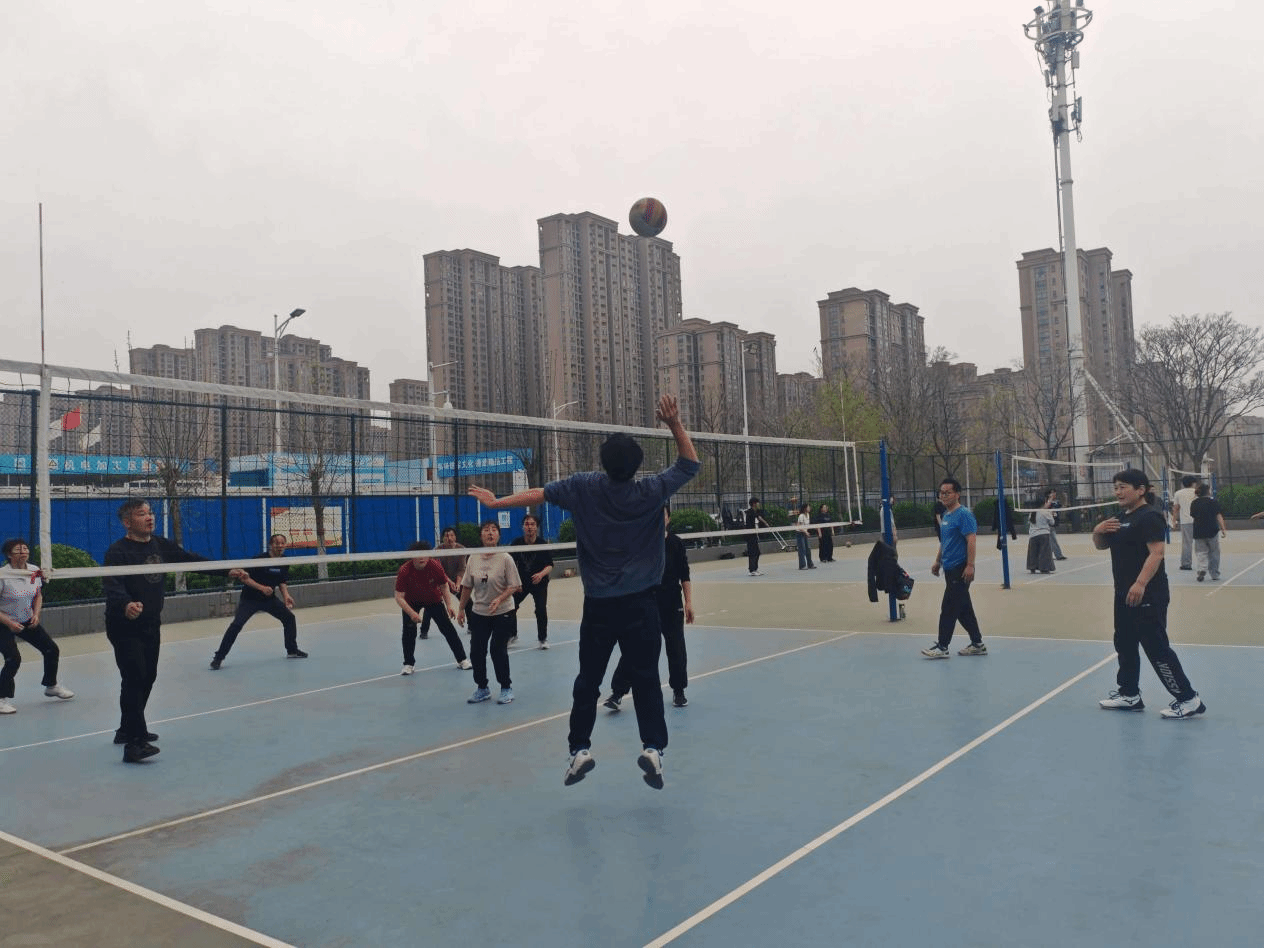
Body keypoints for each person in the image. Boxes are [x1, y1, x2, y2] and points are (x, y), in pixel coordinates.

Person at [468, 394, 699, 790]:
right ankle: (653, 748)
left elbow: (538, 493)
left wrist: (497, 502)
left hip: (599, 608)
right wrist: (674, 423)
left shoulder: (584, 487)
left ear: (604, 463)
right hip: (642, 605)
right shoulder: (651, 491)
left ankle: (579, 750)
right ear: (637, 465)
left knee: (588, 681)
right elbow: (689, 464)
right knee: (646, 678)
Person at [103, 500, 244, 762]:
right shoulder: (117, 551)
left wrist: (226, 571)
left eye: (150, 512)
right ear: (127, 522)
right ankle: (134, 744)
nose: (149, 517)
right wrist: (126, 604)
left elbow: (190, 559)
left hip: (150, 622)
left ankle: (126, 729)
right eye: (142, 514)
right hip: (124, 625)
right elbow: (113, 585)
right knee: (134, 677)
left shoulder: (160, 544)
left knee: (148, 676)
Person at [1093, 469, 1205, 718]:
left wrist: (1140, 583)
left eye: (1123, 487)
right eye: (1116, 487)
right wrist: (1097, 530)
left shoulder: (1150, 517)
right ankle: (1129, 694)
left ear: (1140, 490)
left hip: (1148, 594)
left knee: (1156, 648)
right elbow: (1102, 545)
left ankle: (1188, 699)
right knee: (1124, 643)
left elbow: (1157, 553)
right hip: (1123, 594)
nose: (1118, 492)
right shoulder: (1119, 517)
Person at [605, 506, 694, 710]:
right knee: (635, 647)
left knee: (676, 648)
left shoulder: (676, 543)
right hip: (646, 604)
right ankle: (617, 693)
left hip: (672, 604)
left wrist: (689, 602)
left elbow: (685, 574)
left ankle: (679, 691)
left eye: (662, 515)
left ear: (668, 519)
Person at [1, 538, 75, 714]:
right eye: (18, 550)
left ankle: (51, 686)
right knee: (13, 658)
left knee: (51, 649)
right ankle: (1, 698)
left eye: (25, 549)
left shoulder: (33, 570)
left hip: (26, 619)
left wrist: (36, 614)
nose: (23, 552)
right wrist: (9, 623)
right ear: (9, 555)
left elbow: (38, 595)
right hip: (3, 622)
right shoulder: (3, 575)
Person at [210, 533, 305, 669]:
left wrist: (286, 596)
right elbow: (244, 578)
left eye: (282, 543)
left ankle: (292, 650)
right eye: (276, 543)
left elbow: (282, 581)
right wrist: (262, 588)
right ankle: (218, 658)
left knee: (289, 618)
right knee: (236, 625)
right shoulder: (259, 560)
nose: (279, 546)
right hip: (250, 599)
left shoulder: (284, 561)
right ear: (271, 545)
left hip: (269, 599)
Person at [456, 521, 521, 705]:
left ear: (498, 535)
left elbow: (515, 586)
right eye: (486, 530)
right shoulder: (473, 558)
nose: (490, 533)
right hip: (480, 611)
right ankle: (482, 688)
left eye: (494, 530)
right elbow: (467, 586)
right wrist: (461, 609)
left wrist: (499, 599)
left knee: (497, 650)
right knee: (476, 652)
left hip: (503, 611)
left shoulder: (505, 558)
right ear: (481, 535)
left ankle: (506, 687)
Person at [922, 478, 987, 659]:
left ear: (957, 494)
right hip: (949, 568)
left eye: (947, 493)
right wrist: (938, 561)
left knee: (949, 607)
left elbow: (971, 540)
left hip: (960, 568)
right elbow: (945, 542)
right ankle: (977, 643)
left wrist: (970, 565)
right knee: (963, 609)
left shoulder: (964, 514)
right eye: (941, 493)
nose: (943, 496)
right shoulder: (946, 515)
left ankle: (942, 647)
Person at [395, 541, 471, 674]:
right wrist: (412, 613)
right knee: (408, 632)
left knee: (448, 629)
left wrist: (449, 605)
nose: (422, 558)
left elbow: (444, 586)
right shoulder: (404, 570)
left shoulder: (435, 565)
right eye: (418, 555)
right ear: (412, 557)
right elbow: (399, 597)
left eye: (425, 554)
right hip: (411, 601)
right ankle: (408, 664)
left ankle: (462, 659)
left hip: (433, 599)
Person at [510, 513, 554, 649]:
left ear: (537, 527)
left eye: (532, 524)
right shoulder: (516, 543)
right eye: (527, 524)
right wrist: (515, 582)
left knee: (541, 610)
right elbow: (510, 564)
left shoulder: (542, 544)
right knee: (510, 606)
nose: (529, 527)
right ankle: (512, 635)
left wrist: (541, 575)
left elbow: (550, 565)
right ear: (523, 527)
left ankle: (542, 639)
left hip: (539, 583)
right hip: (521, 583)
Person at [420, 526, 467, 639]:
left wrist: (458, 583)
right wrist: (449, 582)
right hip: (439, 581)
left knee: (467, 600)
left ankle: (472, 627)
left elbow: (462, 569)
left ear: (455, 537)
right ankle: (424, 631)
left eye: (451, 535)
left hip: (456, 580)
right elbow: (439, 571)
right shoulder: (437, 551)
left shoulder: (462, 549)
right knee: (431, 604)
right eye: (446, 536)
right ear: (443, 539)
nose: (449, 538)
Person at [1188, 483, 1226, 582]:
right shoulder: (1213, 502)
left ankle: (1202, 568)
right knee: (1214, 553)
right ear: (1208, 491)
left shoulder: (1194, 503)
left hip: (1198, 530)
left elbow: (1193, 515)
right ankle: (1214, 573)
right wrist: (1223, 528)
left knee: (1201, 552)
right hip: (1212, 530)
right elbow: (1218, 516)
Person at [1170, 474, 1200, 570]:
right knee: (1201, 542)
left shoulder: (1178, 493)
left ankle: (1186, 564)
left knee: (1187, 543)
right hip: (1198, 520)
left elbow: (1176, 508)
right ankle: (1203, 563)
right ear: (1193, 483)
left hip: (1186, 521)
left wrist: (1174, 521)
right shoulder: (1197, 492)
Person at [1026, 496, 1056, 574]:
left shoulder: (1032, 512)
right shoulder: (1045, 512)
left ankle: (1032, 567)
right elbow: (1052, 522)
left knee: (1033, 552)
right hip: (1044, 533)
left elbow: (1030, 522)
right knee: (1044, 551)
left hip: (1033, 534)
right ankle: (1044, 568)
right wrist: (1051, 515)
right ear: (1044, 503)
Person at [744, 497, 769, 576]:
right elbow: (755, 518)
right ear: (754, 504)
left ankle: (755, 569)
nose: (759, 504)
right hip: (750, 535)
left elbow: (759, 518)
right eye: (757, 503)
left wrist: (766, 523)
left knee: (757, 552)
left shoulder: (756, 512)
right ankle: (752, 570)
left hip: (755, 535)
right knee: (752, 553)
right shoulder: (749, 512)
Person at [1045, 490, 1067, 560]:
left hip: (1054, 522)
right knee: (1053, 540)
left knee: (1050, 541)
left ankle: (1048, 555)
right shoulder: (1047, 502)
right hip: (1049, 523)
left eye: (1054, 493)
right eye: (1052, 493)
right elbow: (1046, 508)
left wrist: (1065, 499)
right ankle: (1058, 555)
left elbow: (1062, 508)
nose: (1054, 494)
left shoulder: (1057, 502)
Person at [794, 502, 816, 570]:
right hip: (800, 533)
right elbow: (799, 526)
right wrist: (805, 532)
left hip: (805, 533)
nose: (809, 508)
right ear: (805, 508)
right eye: (808, 507)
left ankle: (810, 564)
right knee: (802, 549)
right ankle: (802, 565)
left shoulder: (808, 515)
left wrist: (807, 532)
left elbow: (807, 525)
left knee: (808, 549)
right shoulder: (801, 516)